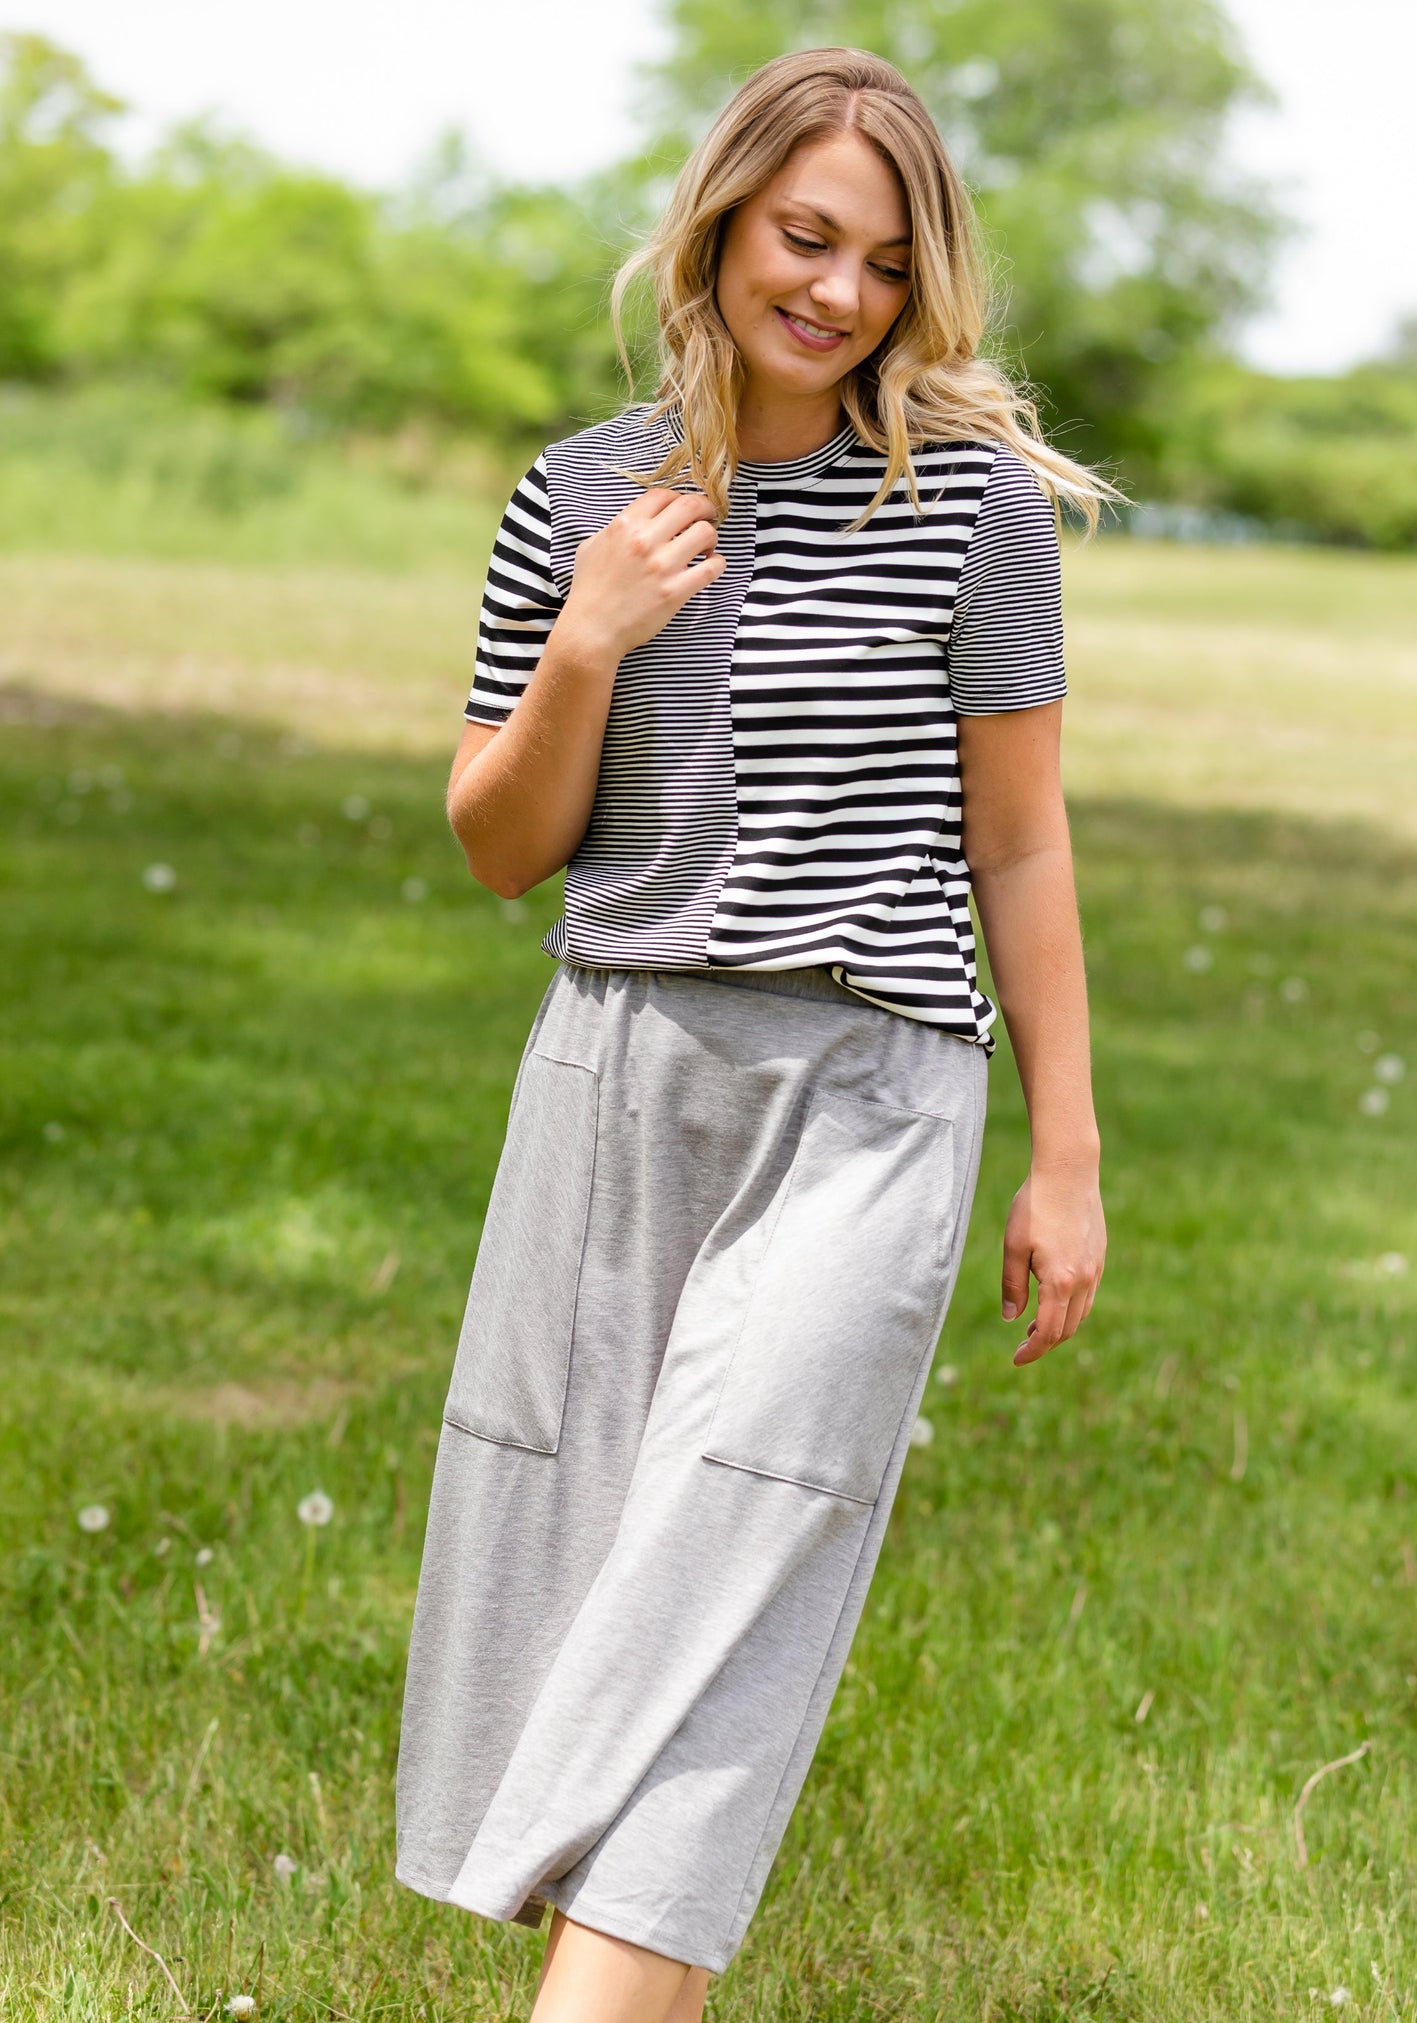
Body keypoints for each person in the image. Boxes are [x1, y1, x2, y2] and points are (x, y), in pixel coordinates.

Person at [394, 45, 1112, 2023]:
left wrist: (1067, 1157)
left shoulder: (969, 507)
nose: (841, 292)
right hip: (615, 1085)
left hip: (871, 1102)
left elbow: (1023, 846)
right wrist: (586, 637)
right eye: (808, 237)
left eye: (886, 261)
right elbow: (498, 843)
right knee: (592, 1576)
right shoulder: (578, 500)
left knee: (739, 1559)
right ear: (721, 219)